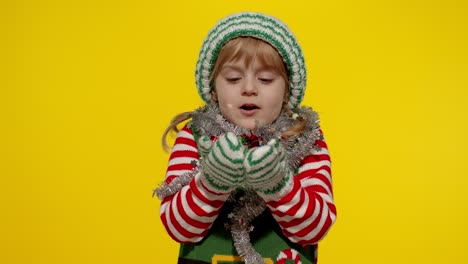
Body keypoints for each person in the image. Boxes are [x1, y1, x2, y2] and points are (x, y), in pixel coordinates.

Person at [153, 12, 336, 264]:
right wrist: (211, 183)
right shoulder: (195, 137)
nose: (249, 88)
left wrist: (279, 184)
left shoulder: (304, 141)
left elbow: (316, 229)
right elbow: (179, 228)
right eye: (233, 78)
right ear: (213, 89)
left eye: (266, 79)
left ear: (287, 91)